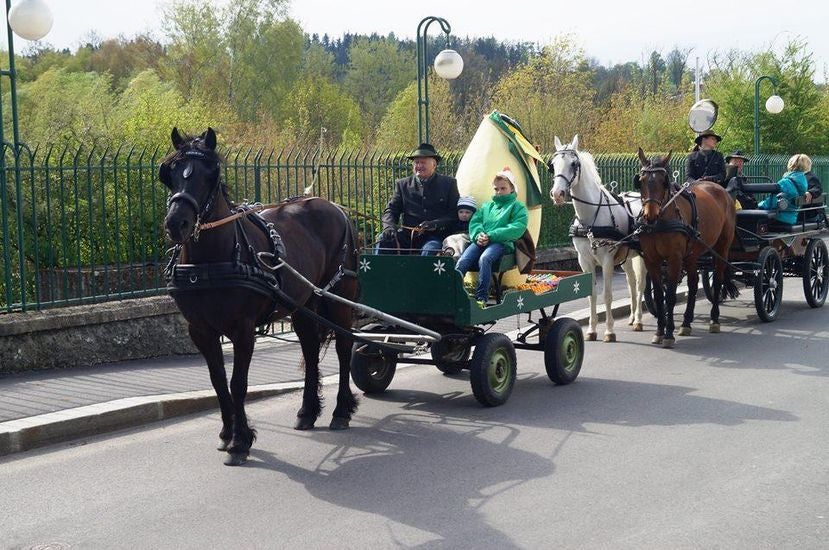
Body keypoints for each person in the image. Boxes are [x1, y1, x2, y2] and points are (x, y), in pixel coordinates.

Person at [456, 167, 528, 305]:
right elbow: (475, 221)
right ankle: (455, 293)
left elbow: (517, 228)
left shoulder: (518, 207)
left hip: (502, 243)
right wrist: (478, 235)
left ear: (512, 188)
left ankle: (481, 297)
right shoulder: (487, 206)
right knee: (463, 260)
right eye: (496, 189)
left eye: (503, 188)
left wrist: (491, 235)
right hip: (481, 241)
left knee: (485, 258)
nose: (499, 192)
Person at [377, 143, 459, 255]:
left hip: (434, 237)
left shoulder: (449, 184)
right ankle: (378, 272)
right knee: (383, 240)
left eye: (423, 162)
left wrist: (434, 224)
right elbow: (391, 210)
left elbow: (453, 214)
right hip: (407, 236)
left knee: (430, 251)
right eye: (416, 162)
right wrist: (389, 227)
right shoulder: (402, 184)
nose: (419, 166)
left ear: (434, 164)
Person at [758, 154, 810, 224]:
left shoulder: (785, 183)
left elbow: (772, 203)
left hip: (779, 218)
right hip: (791, 217)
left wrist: (758, 206)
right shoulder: (803, 183)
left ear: (791, 164)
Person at [442, 196, 477, 260]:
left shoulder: (474, 223)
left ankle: (455, 258)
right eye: (461, 212)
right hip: (452, 243)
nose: (464, 214)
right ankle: (448, 256)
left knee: (459, 238)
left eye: (467, 212)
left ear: (473, 213)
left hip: (468, 242)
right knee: (449, 239)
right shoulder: (454, 224)